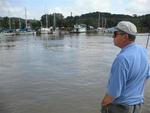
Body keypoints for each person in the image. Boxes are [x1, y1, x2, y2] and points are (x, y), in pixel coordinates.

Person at [101, 21, 150, 113]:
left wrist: (104, 104)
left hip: (120, 107)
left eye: (115, 34)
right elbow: (146, 76)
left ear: (125, 37)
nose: (113, 37)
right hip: (137, 105)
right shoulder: (144, 51)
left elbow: (114, 93)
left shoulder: (122, 59)